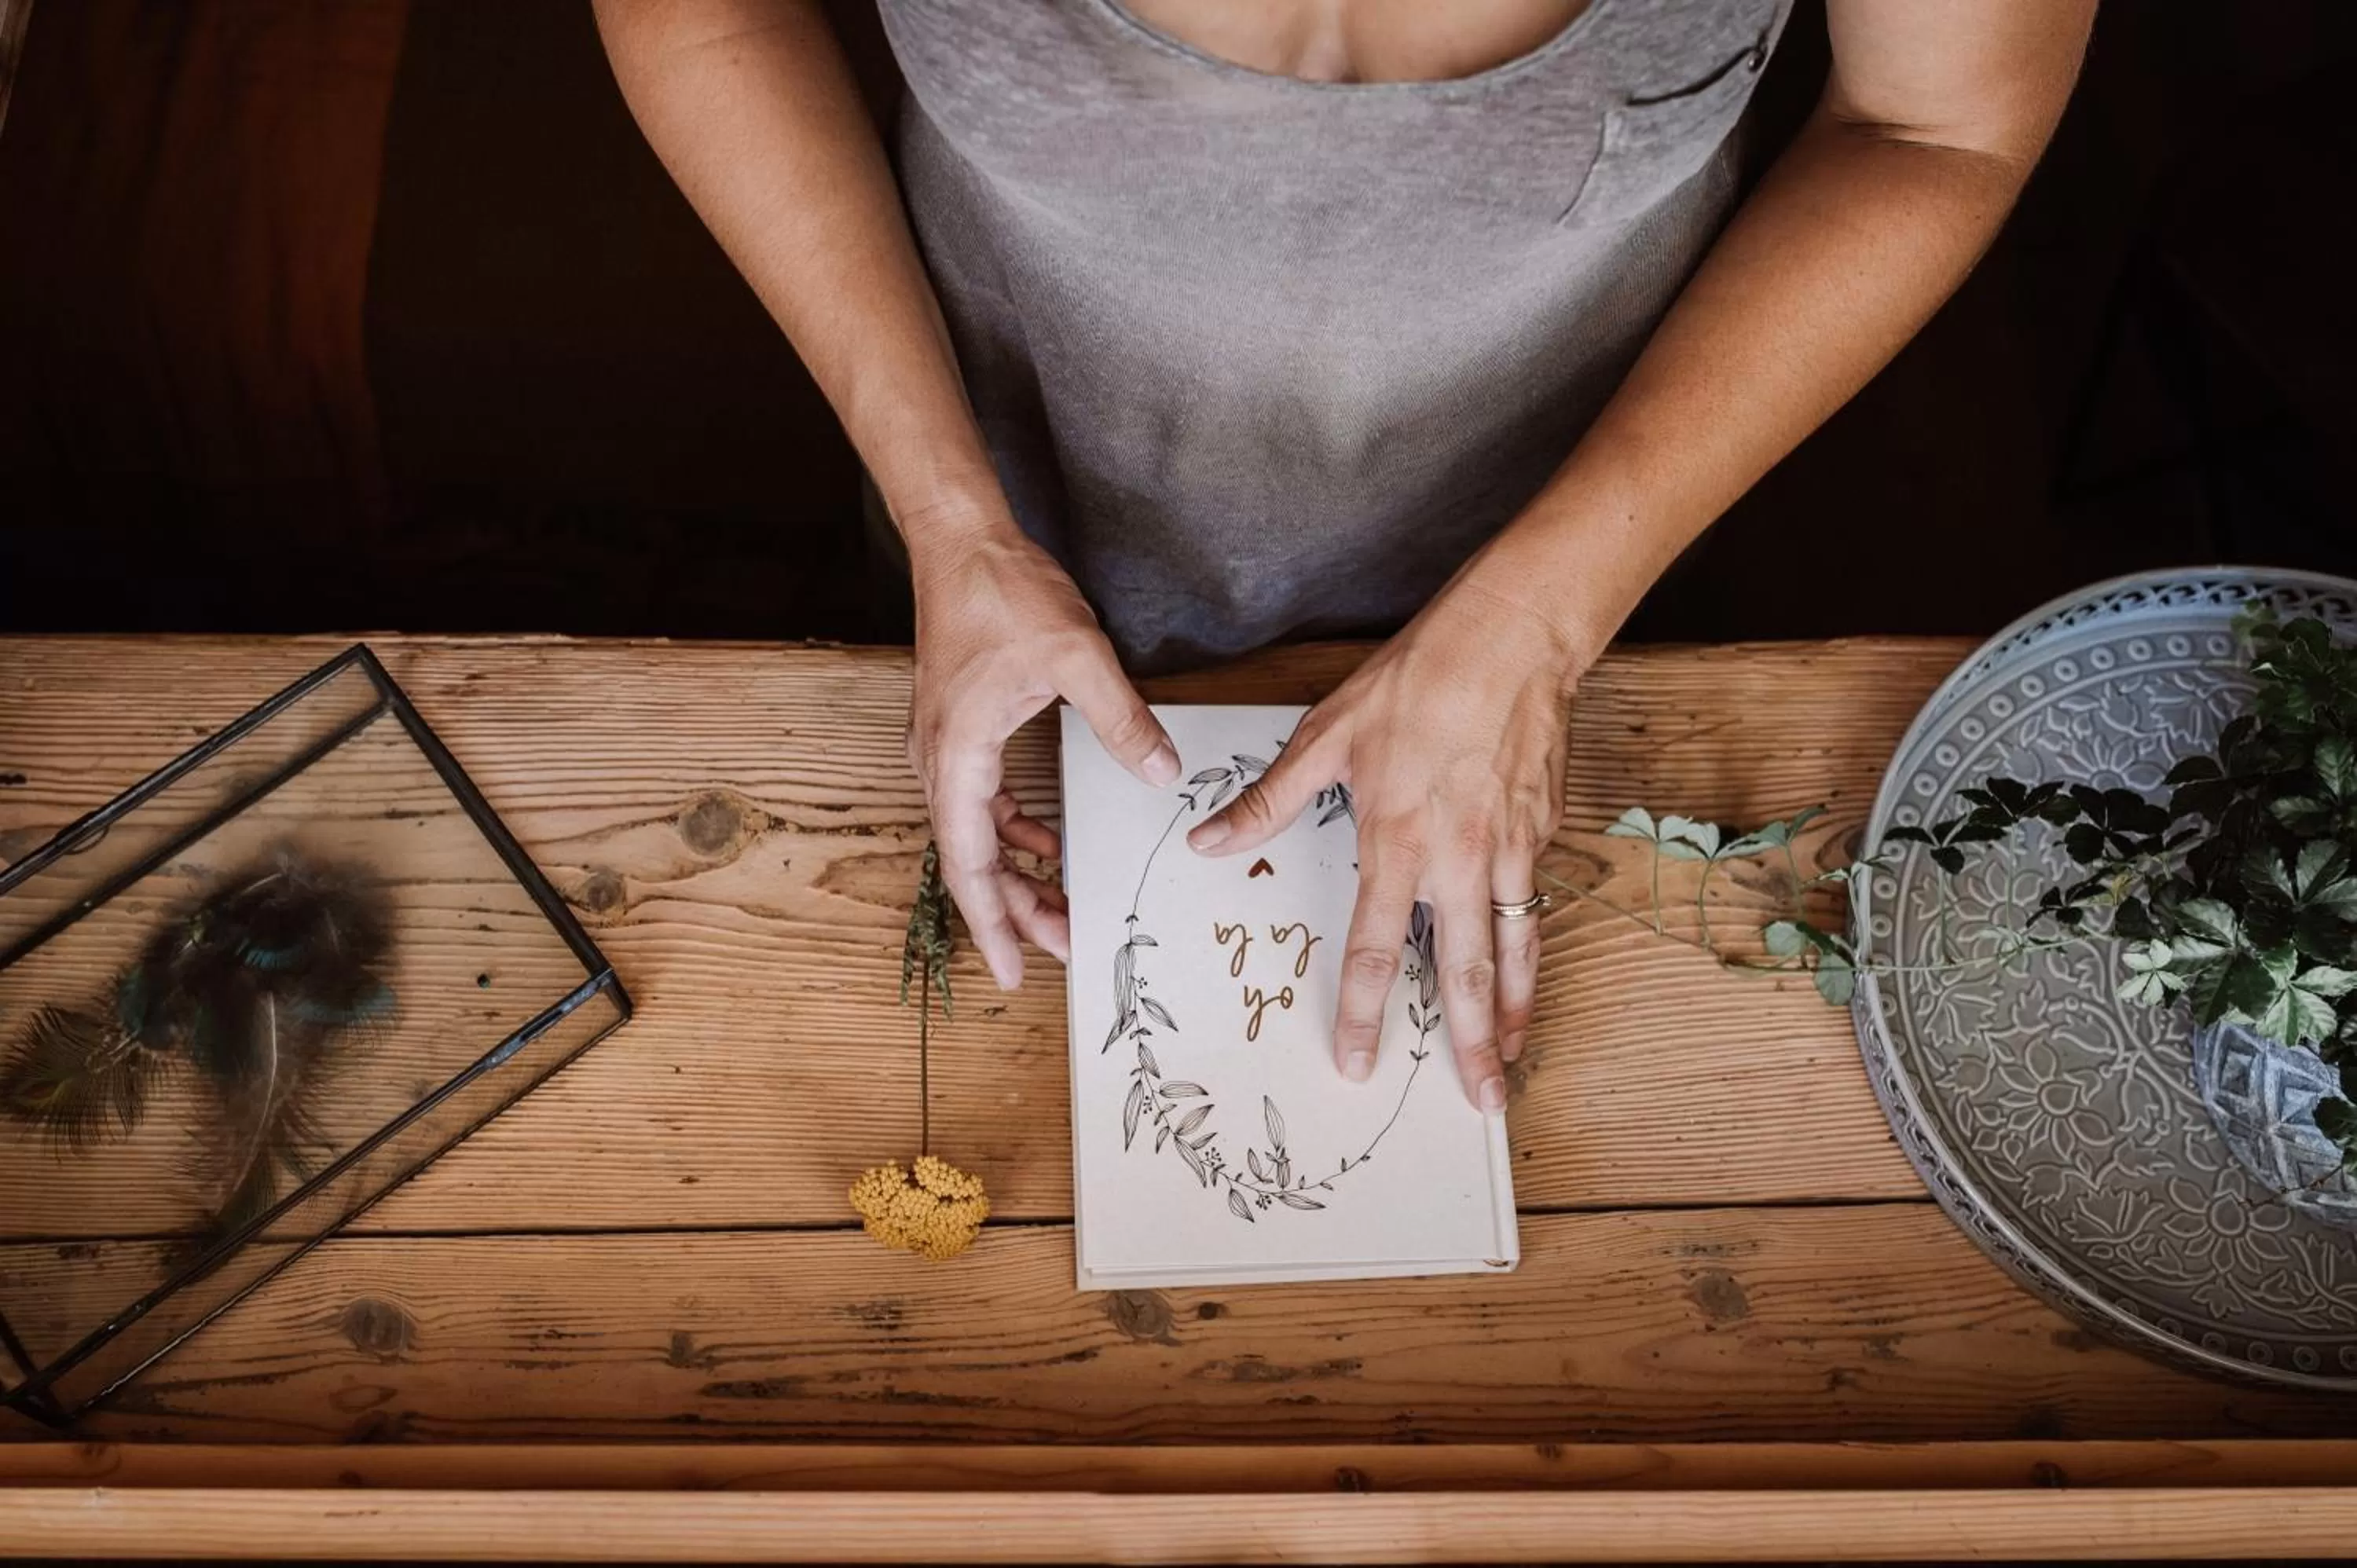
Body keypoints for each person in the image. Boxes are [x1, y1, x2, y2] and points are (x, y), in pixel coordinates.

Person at [596, 0, 2095, 1112]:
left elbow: (1936, 123)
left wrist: (1538, 622)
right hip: (1000, 499)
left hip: (1588, 529)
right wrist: (946, 516)